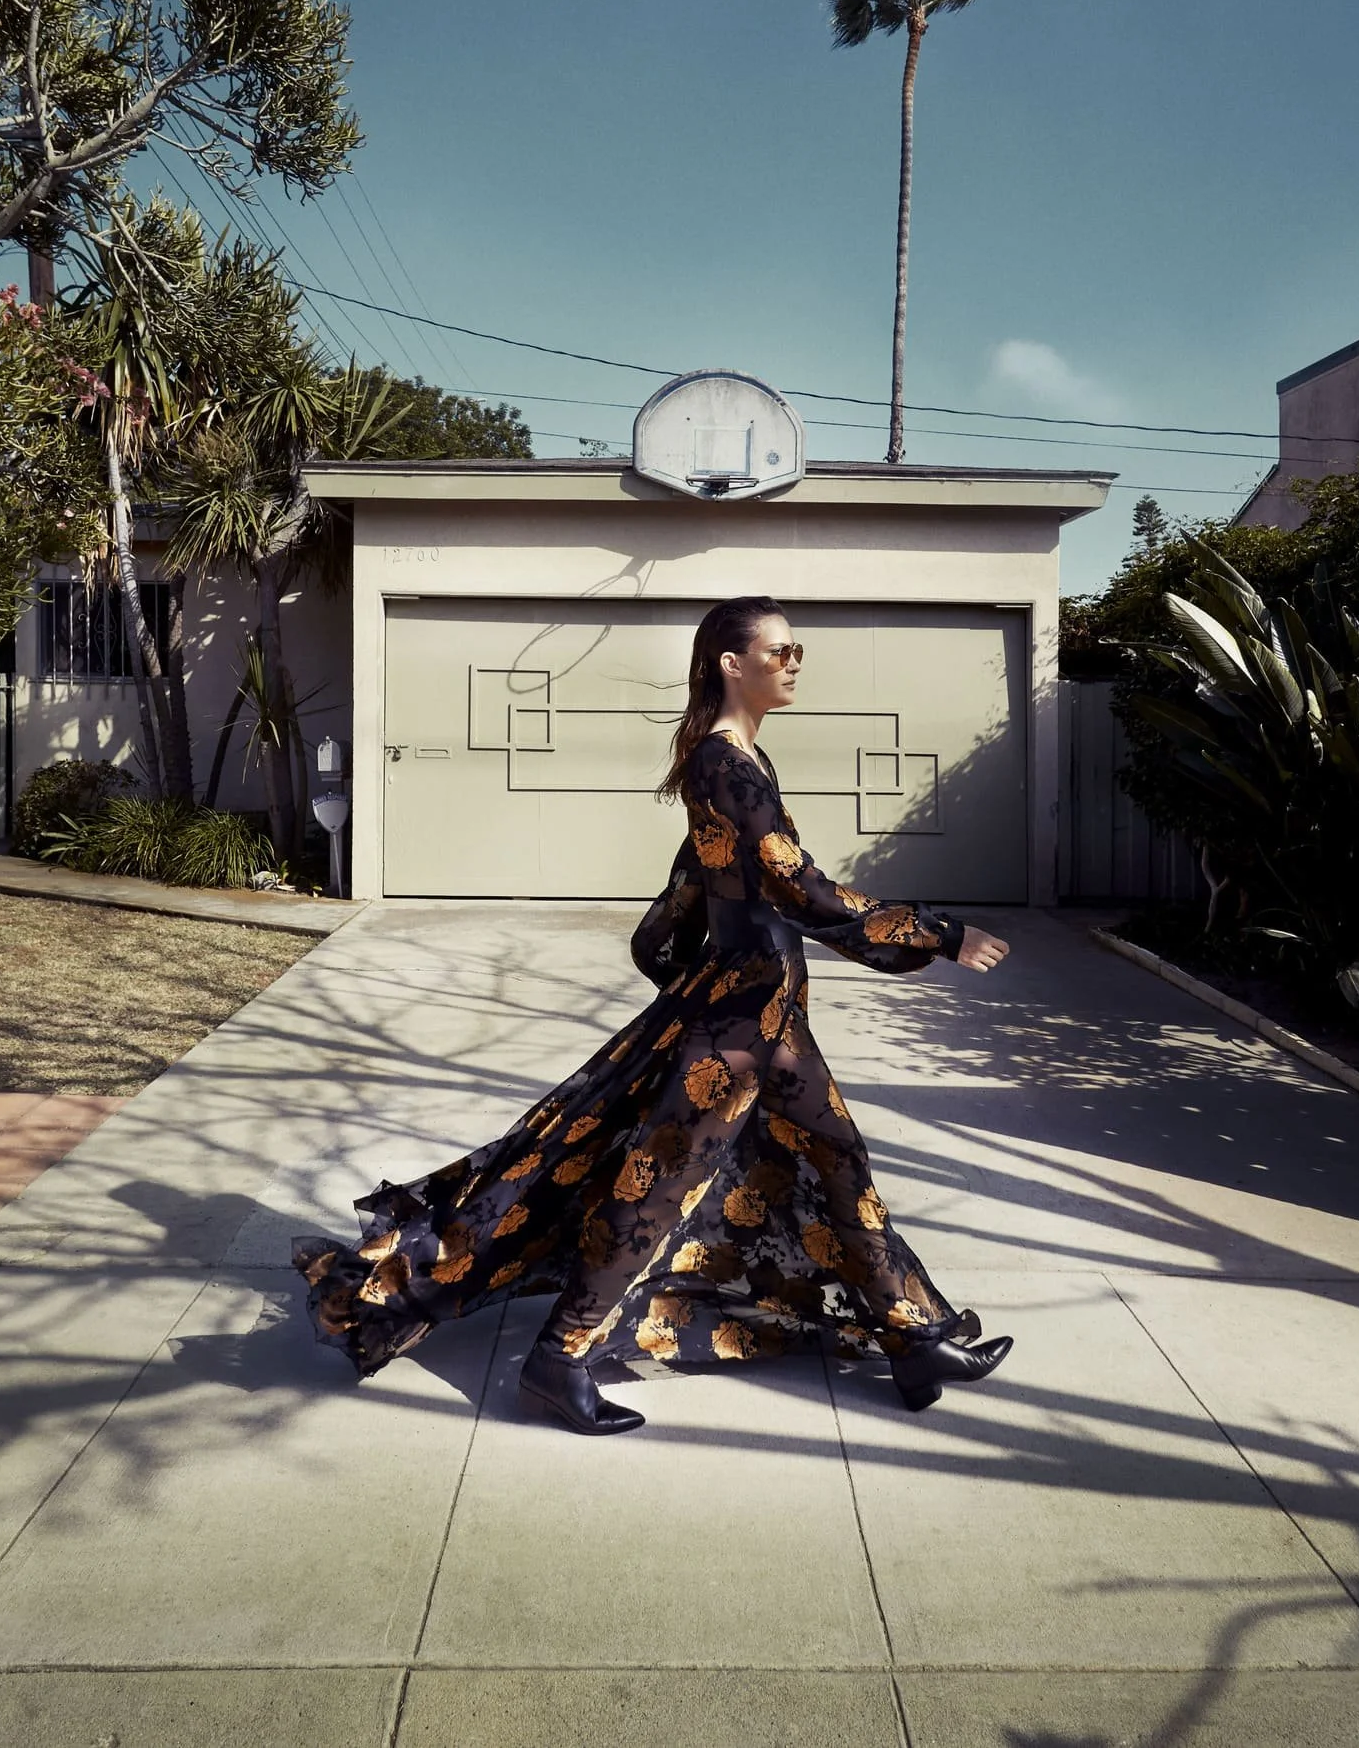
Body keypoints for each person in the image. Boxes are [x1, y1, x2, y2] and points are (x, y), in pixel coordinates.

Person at [294, 597, 1014, 1434]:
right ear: (728, 663)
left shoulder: (741, 758)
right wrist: (937, 932)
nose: (793, 661)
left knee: (839, 1155)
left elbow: (685, 892)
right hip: (744, 1023)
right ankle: (555, 1361)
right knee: (656, 1191)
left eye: (797, 649)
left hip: (764, 1009)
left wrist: (680, 974)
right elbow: (796, 885)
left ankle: (910, 1336)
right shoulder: (724, 764)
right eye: (778, 649)